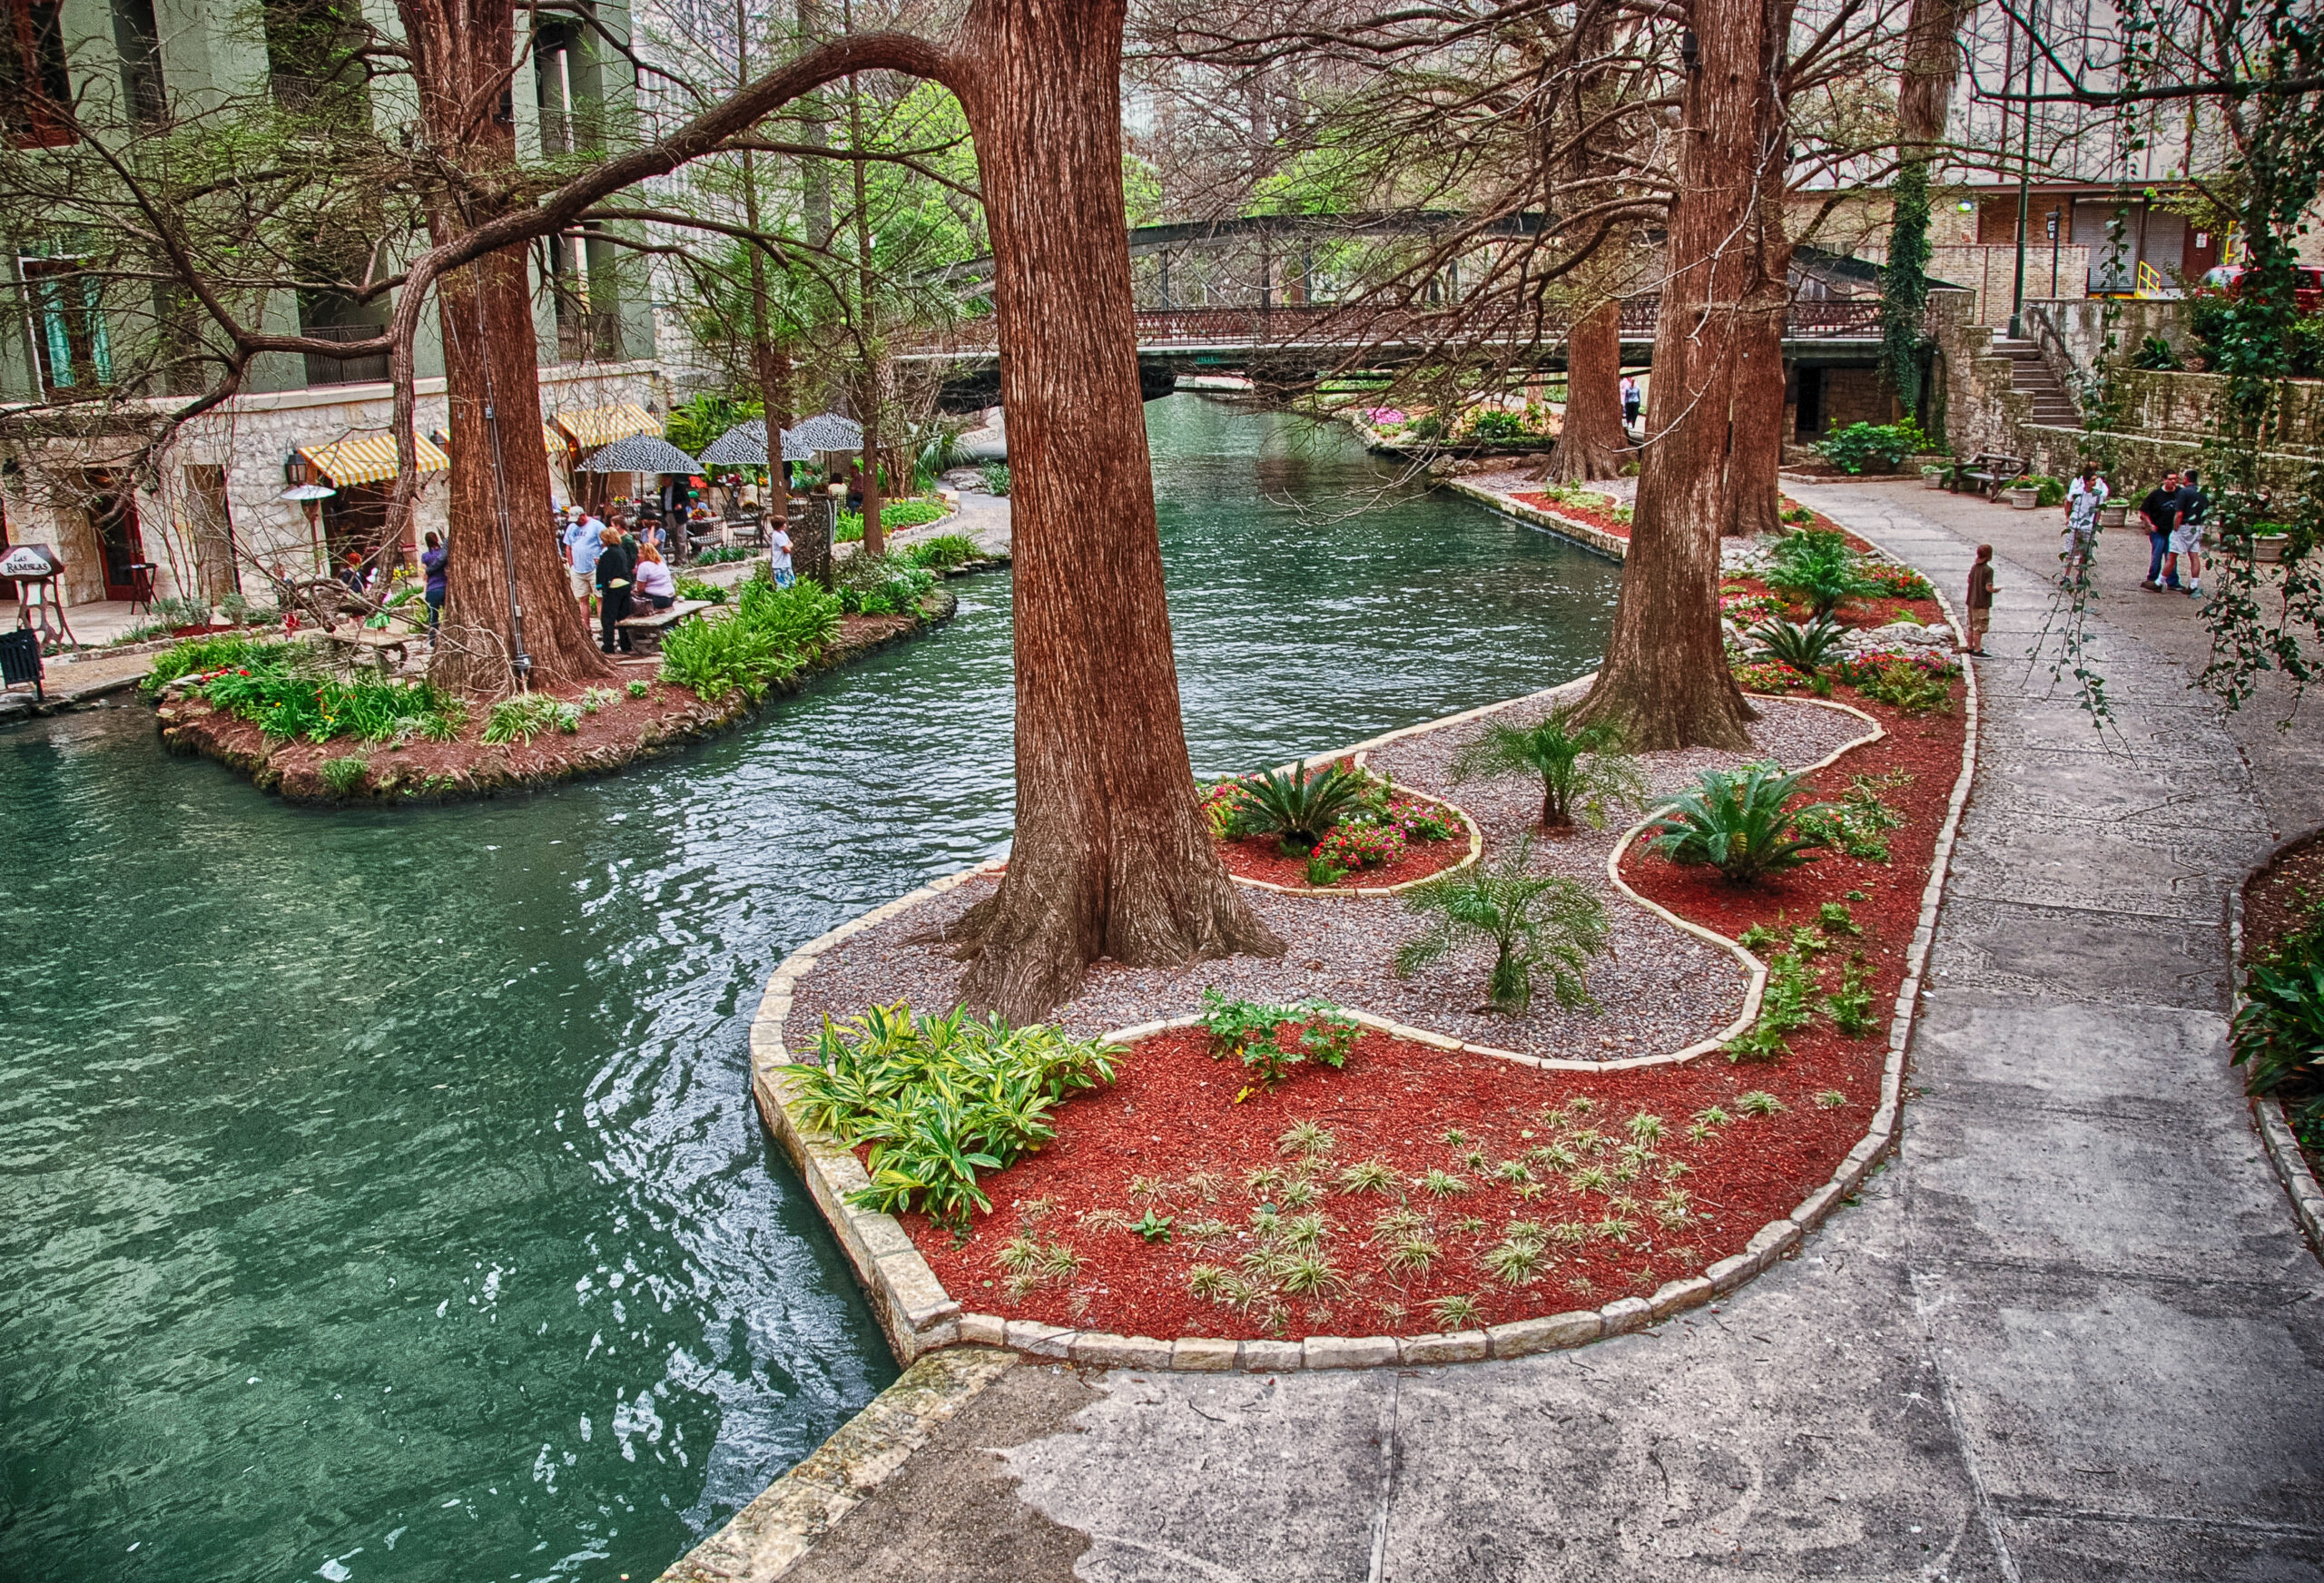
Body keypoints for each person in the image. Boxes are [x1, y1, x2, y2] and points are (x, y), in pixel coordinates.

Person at [2166, 466, 2209, 597]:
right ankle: (2194, 583)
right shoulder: (2203, 492)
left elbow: (2179, 513)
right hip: (2197, 526)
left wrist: (2175, 528)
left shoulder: (2184, 493)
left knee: (2172, 554)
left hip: (2184, 525)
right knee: (2194, 555)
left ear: (2186, 479)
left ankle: (2160, 580)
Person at [2138, 469, 2183, 591]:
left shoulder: (2180, 493)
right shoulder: (2155, 495)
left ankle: (2172, 582)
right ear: (2164, 480)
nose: (2173, 481)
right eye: (2170, 479)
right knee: (2157, 556)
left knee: (2171, 557)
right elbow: (2143, 511)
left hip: (2173, 531)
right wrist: (2149, 524)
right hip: (2158, 531)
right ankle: (2152, 580)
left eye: (2175, 479)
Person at [2061, 463, 2108, 577]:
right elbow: (2068, 502)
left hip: (2087, 527)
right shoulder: (2077, 492)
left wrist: (2095, 524)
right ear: (2086, 481)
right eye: (2092, 480)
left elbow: (2099, 509)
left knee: (2085, 552)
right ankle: (2066, 575)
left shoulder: (2098, 494)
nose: (2094, 483)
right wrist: (2068, 517)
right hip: (2075, 525)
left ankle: (2080, 575)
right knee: (2070, 551)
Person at [595, 525, 635, 654]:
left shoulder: (607, 554)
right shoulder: (621, 551)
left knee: (608, 618)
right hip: (626, 584)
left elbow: (602, 572)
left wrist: (600, 586)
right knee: (623, 616)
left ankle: (608, 645)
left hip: (614, 586)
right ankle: (625, 644)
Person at [565, 508, 604, 615]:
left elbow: (604, 545)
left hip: (594, 568)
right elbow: (568, 546)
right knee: (583, 599)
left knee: (600, 598)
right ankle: (586, 627)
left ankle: (603, 627)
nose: (576, 522)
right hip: (577, 569)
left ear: (583, 515)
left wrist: (602, 560)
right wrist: (571, 564)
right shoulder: (572, 527)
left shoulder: (597, 526)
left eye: (578, 519)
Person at [1965, 544, 1995, 654]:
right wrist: (1995, 590)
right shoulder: (1988, 570)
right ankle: (1978, 649)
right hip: (1982, 602)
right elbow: (1988, 587)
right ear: (1989, 556)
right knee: (1979, 628)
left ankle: (1970, 646)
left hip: (1971, 601)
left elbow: (1969, 580)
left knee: (1971, 626)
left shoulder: (1974, 568)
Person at [633, 544, 677, 611]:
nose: (638, 555)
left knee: (631, 600)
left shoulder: (644, 566)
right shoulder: (661, 563)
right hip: (671, 598)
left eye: (640, 553)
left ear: (645, 554)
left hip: (659, 599)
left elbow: (640, 589)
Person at [419, 531, 448, 636]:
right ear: (437, 539)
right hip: (445, 587)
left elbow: (424, 575)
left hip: (432, 589)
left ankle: (432, 640)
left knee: (433, 617)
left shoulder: (425, 556)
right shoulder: (443, 553)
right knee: (448, 614)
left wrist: (424, 590)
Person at [768, 520, 795, 589]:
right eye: (784, 524)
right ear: (780, 525)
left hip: (786, 564)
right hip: (780, 565)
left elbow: (791, 543)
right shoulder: (777, 536)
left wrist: (787, 546)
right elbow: (787, 550)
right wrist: (787, 547)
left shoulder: (783, 533)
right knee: (783, 586)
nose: (786, 525)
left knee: (791, 584)